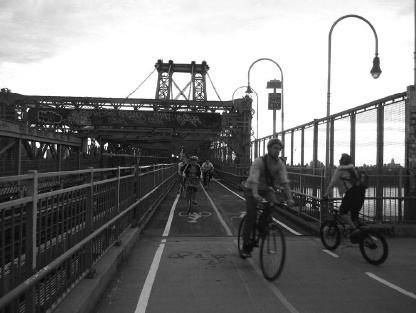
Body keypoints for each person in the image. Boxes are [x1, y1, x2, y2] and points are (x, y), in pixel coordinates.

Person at [241, 138, 295, 258]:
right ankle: (246, 244)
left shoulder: (279, 163)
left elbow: (285, 181)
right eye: (275, 148)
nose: (278, 151)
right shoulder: (258, 162)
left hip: (266, 189)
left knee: (272, 204)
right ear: (269, 149)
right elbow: (254, 179)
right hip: (251, 189)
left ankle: (261, 226)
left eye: (279, 149)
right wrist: (255, 195)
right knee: (251, 214)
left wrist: (289, 198)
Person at [322, 153, 366, 240]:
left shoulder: (339, 170)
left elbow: (332, 183)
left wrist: (325, 196)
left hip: (351, 193)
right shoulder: (352, 168)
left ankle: (354, 230)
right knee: (354, 217)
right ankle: (361, 236)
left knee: (342, 212)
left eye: (340, 159)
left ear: (342, 161)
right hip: (361, 193)